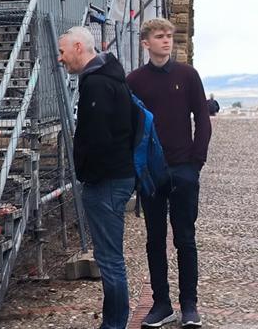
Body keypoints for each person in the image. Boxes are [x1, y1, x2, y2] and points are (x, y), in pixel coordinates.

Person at [126, 18, 212, 328]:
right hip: (151, 173)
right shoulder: (134, 81)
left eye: (169, 36)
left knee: (186, 239)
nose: (166, 41)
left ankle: (189, 304)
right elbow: (130, 127)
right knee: (154, 240)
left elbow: (202, 118)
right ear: (145, 43)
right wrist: (136, 168)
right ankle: (161, 303)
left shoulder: (188, 75)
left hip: (184, 169)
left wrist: (195, 163)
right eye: (159, 37)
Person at [57, 26, 137, 329]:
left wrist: (89, 176)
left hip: (107, 182)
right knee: (110, 257)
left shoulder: (97, 84)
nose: (60, 58)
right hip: (115, 178)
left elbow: (99, 138)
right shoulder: (109, 77)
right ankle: (114, 322)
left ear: (79, 47)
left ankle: (115, 324)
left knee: (110, 260)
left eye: (63, 51)